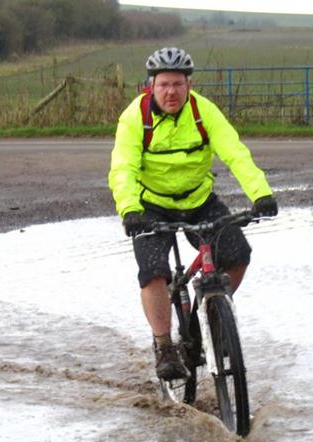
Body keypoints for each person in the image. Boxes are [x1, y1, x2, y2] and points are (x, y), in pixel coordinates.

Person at [108, 47, 277, 381]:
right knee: (153, 273)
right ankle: (164, 346)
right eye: (163, 84)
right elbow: (122, 167)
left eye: (178, 84)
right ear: (151, 86)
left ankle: (210, 318)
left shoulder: (204, 111)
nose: (171, 92)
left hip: (199, 200)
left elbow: (235, 153)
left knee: (238, 256)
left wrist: (261, 194)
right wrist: (130, 210)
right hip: (150, 205)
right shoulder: (135, 117)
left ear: (189, 85)